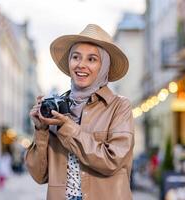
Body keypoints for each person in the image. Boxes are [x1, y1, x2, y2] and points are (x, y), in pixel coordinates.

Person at [26, 24, 134, 200]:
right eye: (76, 57)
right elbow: (39, 176)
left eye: (92, 59)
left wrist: (67, 127)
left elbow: (111, 161)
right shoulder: (58, 108)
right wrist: (41, 130)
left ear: (104, 66)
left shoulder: (119, 107)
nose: (81, 65)